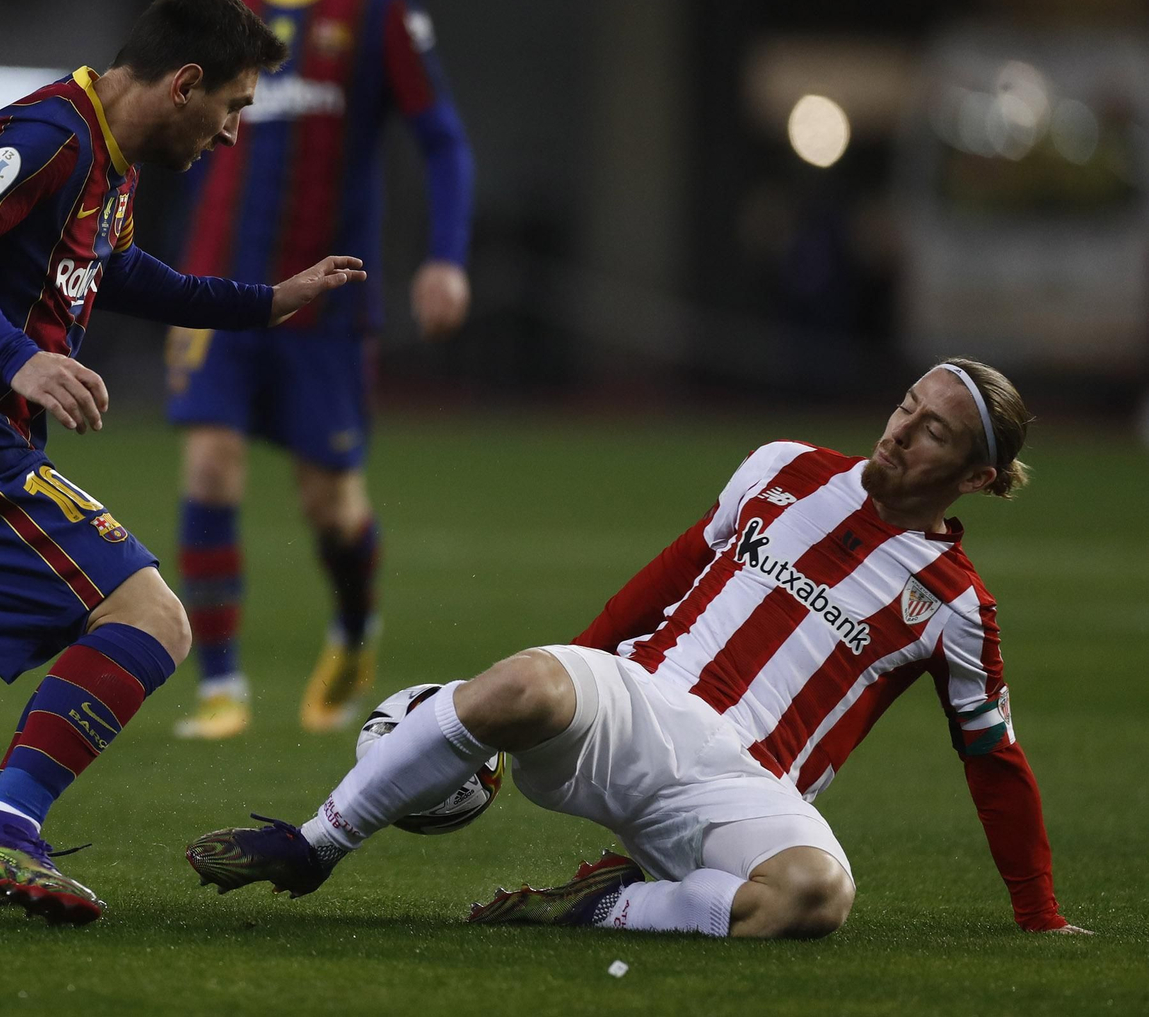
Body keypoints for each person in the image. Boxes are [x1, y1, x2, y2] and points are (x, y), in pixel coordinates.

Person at [186, 360, 1091, 938]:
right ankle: (315, 844)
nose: (899, 427)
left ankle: (600, 906)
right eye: (906, 403)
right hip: (639, 704)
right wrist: (554, 694)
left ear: (976, 475)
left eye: (933, 428)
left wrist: (1040, 916)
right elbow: (656, 587)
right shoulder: (781, 467)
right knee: (526, 680)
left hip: (747, 790)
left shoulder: (957, 605)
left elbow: (993, 760)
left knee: (817, 894)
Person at [0, 0, 366, 925]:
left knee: (140, 620)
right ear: (186, 83)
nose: (232, 135)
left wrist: (263, 300)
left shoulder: (109, 162)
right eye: (233, 108)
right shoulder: (48, 135)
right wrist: (19, 358)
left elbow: (115, 271)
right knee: (153, 616)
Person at [167, 0, 475, 740]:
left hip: (329, 302)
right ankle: (220, 684)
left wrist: (447, 257)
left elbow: (442, 141)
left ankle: (353, 626)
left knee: (328, 501)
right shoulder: (222, 6)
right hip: (219, 288)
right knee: (210, 463)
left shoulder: (379, 7)